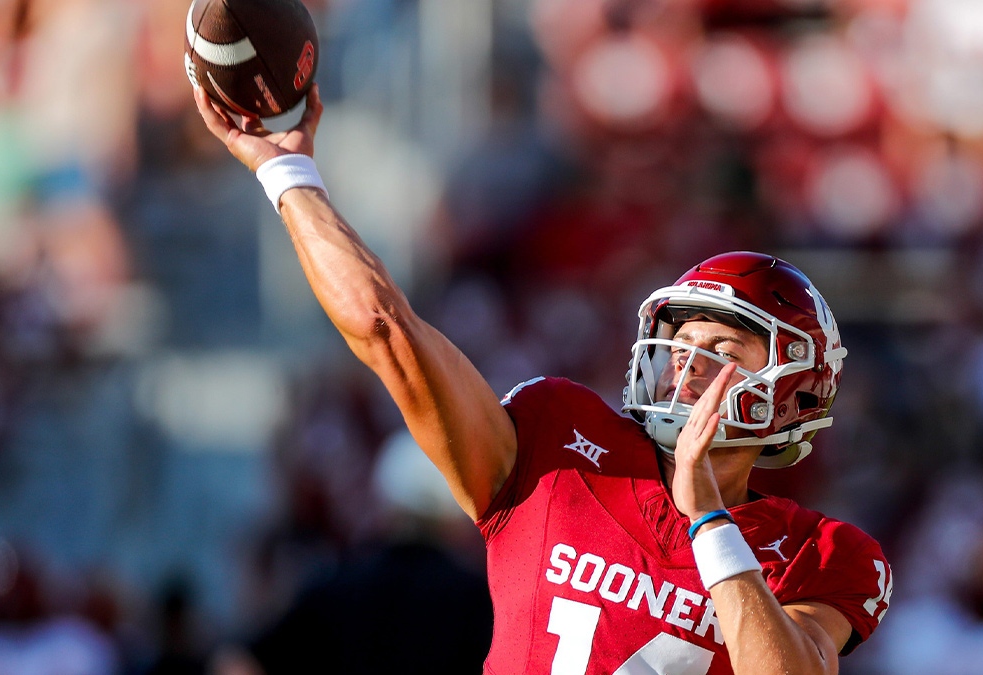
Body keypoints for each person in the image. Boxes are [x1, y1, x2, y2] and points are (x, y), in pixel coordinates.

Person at [192, 84, 892, 674]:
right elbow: (388, 332)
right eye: (682, 341)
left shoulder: (821, 550)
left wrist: (710, 519)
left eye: (724, 344)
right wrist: (289, 175)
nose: (688, 360)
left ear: (796, 389)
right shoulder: (561, 436)